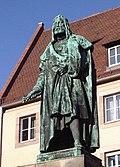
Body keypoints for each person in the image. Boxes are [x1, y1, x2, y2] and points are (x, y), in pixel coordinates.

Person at [23, 15, 99, 153]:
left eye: (61, 23)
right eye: (55, 24)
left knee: (74, 110)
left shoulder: (76, 41)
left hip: (74, 82)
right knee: (59, 115)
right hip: (56, 89)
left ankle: (78, 142)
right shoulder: (48, 51)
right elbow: (43, 76)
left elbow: (85, 63)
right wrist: (33, 91)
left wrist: (68, 67)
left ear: (66, 26)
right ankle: (58, 144)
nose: (58, 26)